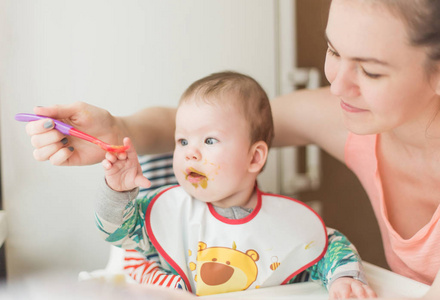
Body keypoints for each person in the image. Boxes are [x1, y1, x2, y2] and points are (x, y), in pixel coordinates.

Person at [24, 0, 440, 290]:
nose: (337, 83)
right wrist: (118, 128)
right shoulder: (345, 116)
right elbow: (212, 122)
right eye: (333, 49)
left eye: (370, 71)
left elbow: (330, 250)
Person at [95, 71, 375, 298]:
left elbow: (327, 246)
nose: (190, 152)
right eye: (182, 141)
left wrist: (344, 279)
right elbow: (117, 231)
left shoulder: (281, 222)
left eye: (209, 140)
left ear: (254, 157)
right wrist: (118, 191)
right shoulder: (167, 209)